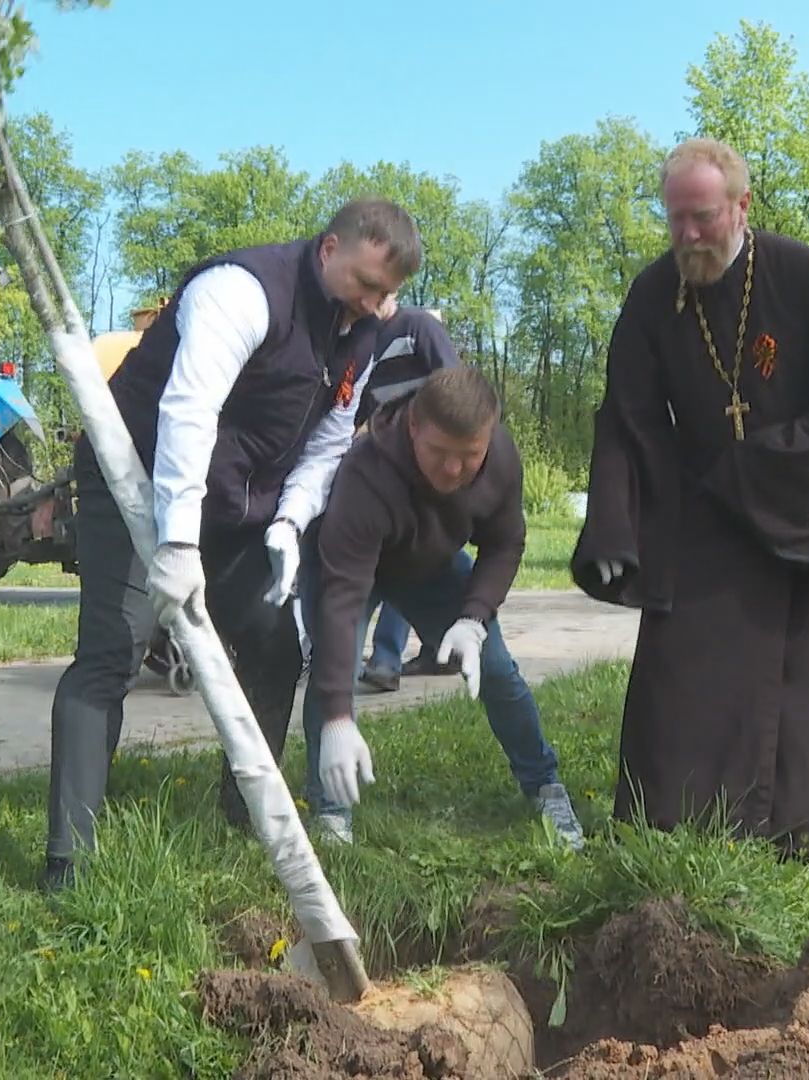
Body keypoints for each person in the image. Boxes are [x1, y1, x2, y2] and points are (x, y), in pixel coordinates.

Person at [569, 137, 809, 880]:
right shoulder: (651, 294)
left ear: (741, 205)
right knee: (684, 683)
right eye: (674, 221)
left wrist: (760, 469)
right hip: (708, 519)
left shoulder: (802, 277)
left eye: (701, 218)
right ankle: (683, 821)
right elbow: (628, 415)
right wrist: (614, 520)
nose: (687, 237)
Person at [42, 198, 419, 891]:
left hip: (239, 503)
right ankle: (71, 859)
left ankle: (243, 820)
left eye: (387, 293)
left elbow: (333, 437)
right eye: (366, 285)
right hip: (140, 470)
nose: (374, 305)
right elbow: (190, 409)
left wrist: (290, 520)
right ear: (330, 248)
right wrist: (177, 545)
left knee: (276, 646)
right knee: (114, 650)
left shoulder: (364, 330)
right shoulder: (242, 292)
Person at [291, 367, 582, 847]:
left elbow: (506, 543)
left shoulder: (501, 458)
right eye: (439, 453)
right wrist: (340, 719)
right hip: (347, 568)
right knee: (333, 673)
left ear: (489, 435)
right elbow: (342, 600)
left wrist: (474, 617)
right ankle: (330, 810)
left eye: (469, 456)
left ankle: (544, 784)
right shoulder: (368, 473)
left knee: (497, 668)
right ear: (413, 428)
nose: (453, 471)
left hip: (429, 566)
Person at [352, 301, 462, 693]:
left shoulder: (418, 327)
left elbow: (455, 389)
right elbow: (359, 406)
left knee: (407, 559)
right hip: (384, 473)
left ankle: (387, 656)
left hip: (424, 469)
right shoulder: (364, 339)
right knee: (384, 565)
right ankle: (355, 663)